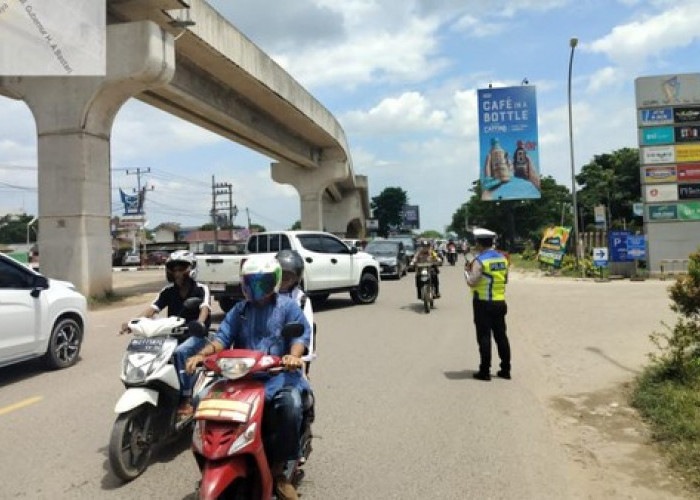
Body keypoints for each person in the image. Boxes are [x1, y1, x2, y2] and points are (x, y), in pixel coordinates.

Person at [185, 255, 311, 500]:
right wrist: (200, 356)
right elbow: (221, 338)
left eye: (261, 283)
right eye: (250, 283)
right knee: (201, 400)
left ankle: (280, 471)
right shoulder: (240, 310)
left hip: (277, 377)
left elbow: (299, 339)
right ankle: (213, 460)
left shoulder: (288, 307)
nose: (255, 289)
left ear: (273, 282)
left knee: (290, 405)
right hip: (240, 377)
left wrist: (292, 357)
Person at [119, 250, 211, 417]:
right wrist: (133, 322)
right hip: (173, 334)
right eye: (173, 269)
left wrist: (199, 323)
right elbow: (152, 309)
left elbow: (204, 308)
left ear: (192, 268)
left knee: (180, 353)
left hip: (196, 335)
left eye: (182, 268)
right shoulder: (168, 291)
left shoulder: (201, 289)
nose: (177, 272)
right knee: (151, 350)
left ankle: (186, 397)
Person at [464, 228, 511, 381]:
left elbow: (472, 282)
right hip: (500, 302)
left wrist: (466, 272)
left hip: (483, 303)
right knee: (501, 336)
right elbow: (505, 280)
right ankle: (505, 369)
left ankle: (484, 371)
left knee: (484, 337)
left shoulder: (480, 261)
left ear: (478, 243)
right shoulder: (503, 259)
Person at [276, 249, 316, 373]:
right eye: (281, 274)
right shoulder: (265, 294)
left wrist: (298, 357)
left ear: (296, 278)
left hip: (292, 357)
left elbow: (306, 329)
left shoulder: (301, 300)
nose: (284, 279)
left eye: (288, 276)